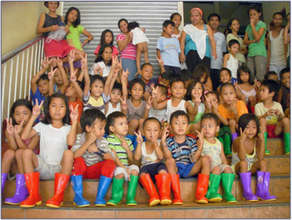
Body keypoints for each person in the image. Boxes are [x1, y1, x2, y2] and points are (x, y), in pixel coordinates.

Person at [19, 93, 78, 208]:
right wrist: (33, 116)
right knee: (26, 152)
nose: (57, 109)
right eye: (53, 106)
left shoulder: (68, 128)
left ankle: (58, 196)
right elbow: (24, 136)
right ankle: (34, 195)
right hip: (43, 166)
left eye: (61, 106)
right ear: (47, 108)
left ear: (66, 110)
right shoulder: (42, 125)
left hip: (60, 169)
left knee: (68, 153)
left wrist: (74, 121)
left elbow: (71, 143)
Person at [161, 110, 210, 204]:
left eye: (183, 123)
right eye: (176, 123)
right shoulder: (169, 141)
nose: (180, 126)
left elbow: (194, 159)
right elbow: (168, 157)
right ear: (170, 127)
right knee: (169, 161)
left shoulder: (191, 141)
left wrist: (200, 147)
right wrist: (163, 143)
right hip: (175, 169)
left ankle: (201, 194)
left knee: (206, 159)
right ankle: (177, 196)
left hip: (189, 168)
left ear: (188, 126)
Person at [70, 109, 116, 207]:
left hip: (95, 171)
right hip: (80, 172)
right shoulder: (79, 138)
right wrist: (87, 144)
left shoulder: (102, 141)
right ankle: (78, 197)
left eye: (104, 128)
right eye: (100, 128)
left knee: (110, 163)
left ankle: (100, 197)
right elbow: (74, 156)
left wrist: (97, 151)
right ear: (88, 128)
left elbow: (110, 158)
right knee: (77, 160)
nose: (104, 131)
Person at [2, 100, 39, 205]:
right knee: (9, 152)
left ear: (31, 114)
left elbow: (26, 151)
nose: (21, 117)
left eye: (25, 113)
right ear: (13, 116)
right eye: (17, 114)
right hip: (14, 167)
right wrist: (11, 134)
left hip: (28, 167)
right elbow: (13, 149)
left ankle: (20, 191)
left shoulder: (35, 131)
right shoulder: (10, 128)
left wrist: (18, 136)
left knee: (20, 153)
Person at [232, 113, 276, 201]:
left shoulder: (256, 140)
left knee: (263, 162)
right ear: (241, 128)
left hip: (251, 167)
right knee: (244, 163)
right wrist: (242, 142)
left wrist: (262, 141)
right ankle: (247, 192)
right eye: (247, 127)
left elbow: (260, 157)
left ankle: (262, 191)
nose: (251, 130)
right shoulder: (237, 141)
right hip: (238, 168)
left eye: (254, 127)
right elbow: (242, 158)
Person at [134, 118, 172, 206]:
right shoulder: (142, 144)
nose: (152, 133)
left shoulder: (159, 143)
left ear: (159, 132)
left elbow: (161, 157)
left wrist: (156, 146)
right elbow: (136, 158)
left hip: (158, 166)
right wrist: (139, 144)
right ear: (143, 132)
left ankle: (164, 195)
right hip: (146, 167)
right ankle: (153, 196)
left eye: (155, 130)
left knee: (163, 170)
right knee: (142, 174)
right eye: (148, 130)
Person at [200, 113, 236, 203]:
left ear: (217, 128)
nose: (207, 129)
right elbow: (198, 156)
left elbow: (222, 156)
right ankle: (211, 192)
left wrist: (226, 166)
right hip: (209, 168)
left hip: (219, 165)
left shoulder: (219, 142)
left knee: (228, 169)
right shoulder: (201, 141)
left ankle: (227, 193)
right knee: (216, 169)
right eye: (204, 126)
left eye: (210, 126)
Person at [105, 112, 139, 206]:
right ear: (112, 128)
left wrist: (127, 149)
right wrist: (125, 169)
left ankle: (130, 197)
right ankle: (116, 198)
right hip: (117, 166)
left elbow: (132, 160)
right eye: (121, 124)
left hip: (127, 166)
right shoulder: (109, 140)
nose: (125, 126)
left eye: (126, 123)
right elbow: (114, 158)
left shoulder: (128, 140)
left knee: (135, 169)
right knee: (120, 172)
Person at [255, 80, 290, 155]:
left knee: (286, 120)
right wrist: (265, 115)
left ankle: (288, 149)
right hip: (263, 130)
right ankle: (263, 148)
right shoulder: (258, 106)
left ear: (271, 94)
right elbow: (256, 119)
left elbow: (282, 119)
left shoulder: (277, 105)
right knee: (262, 120)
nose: (260, 92)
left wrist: (280, 115)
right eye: (260, 90)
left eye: (263, 90)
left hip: (276, 130)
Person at [180, 7, 217, 73]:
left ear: (201, 17)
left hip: (206, 55)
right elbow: (182, 41)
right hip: (191, 54)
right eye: (192, 16)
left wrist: (214, 51)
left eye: (196, 16)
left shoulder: (207, 27)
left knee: (205, 75)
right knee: (193, 74)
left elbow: (212, 40)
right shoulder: (187, 28)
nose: (194, 18)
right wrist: (182, 53)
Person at [217, 83, 249, 156]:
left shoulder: (240, 104)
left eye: (231, 93)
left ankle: (238, 145)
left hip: (241, 128)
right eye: (225, 94)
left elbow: (244, 123)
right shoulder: (220, 107)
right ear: (221, 97)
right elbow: (225, 123)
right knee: (229, 125)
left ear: (235, 94)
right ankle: (231, 147)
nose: (229, 96)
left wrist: (235, 113)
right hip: (228, 131)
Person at [244, 6, 267, 81]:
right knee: (250, 75)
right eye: (250, 15)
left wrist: (253, 26)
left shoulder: (262, 24)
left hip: (260, 52)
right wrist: (253, 41)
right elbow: (245, 41)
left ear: (259, 14)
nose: (252, 16)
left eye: (254, 14)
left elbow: (257, 38)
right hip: (250, 53)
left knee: (260, 75)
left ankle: (261, 91)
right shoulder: (248, 27)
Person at [208, 13, 227, 90]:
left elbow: (223, 51)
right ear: (208, 22)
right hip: (208, 65)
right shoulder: (205, 34)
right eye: (212, 20)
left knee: (218, 88)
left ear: (219, 23)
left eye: (216, 20)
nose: (214, 22)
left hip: (219, 66)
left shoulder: (222, 36)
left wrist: (223, 66)